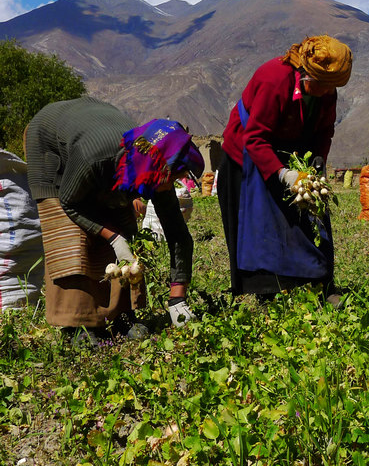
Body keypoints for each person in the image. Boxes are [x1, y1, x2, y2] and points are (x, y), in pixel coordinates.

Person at [24, 97, 204, 344]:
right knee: (73, 235)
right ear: (160, 168)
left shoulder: (155, 164)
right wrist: (113, 237)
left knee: (125, 226)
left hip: (96, 134)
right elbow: (70, 202)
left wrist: (177, 299)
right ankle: (80, 323)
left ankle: (122, 315)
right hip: (51, 144)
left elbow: (178, 234)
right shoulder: (95, 157)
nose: (172, 185)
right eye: (173, 178)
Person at [219, 35, 352, 298]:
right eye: (324, 86)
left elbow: (325, 131)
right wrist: (282, 174)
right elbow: (255, 138)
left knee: (312, 217)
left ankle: (321, 284)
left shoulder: (327, 90)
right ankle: (265, 290)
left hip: (293, 152)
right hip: (248, 153)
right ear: (307, 75)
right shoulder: (274, 79)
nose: (328, 92)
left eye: (332, 87)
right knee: (260, 224)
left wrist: (317, 162)